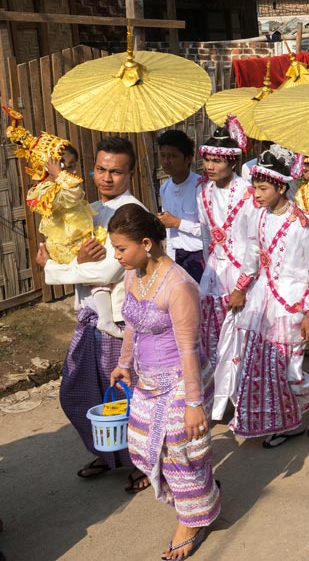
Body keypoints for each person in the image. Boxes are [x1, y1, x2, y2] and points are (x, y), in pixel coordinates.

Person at [107, 205, 219, 559]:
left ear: (146, 242)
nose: (116, 255)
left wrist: (193, 405)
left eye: (121, 248)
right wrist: (124, 363)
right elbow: (132, 325)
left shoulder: (180, 285)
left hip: (182, 381)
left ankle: (193, 520)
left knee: (179, 451)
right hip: (147, 379)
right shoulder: (133, 275)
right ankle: (202, 493)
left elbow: (189, 350)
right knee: (143, 447)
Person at [39, 136, 147, 490]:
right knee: (78, 391)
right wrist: (71, 261)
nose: (106, 178)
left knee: (122, 395)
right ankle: (109, 452)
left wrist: (54, 271)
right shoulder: (86, 208)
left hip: (119, 320)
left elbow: (106, 271)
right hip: (90, 315)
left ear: (131, 173)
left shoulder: (132, 213)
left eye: (116, 171)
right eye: (101, 169)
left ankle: (140, 462)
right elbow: (71, 253)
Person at [230, 148, 309, 446]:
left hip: (292, 306)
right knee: (267, 370)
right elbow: (250, 256)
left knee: (292, 372)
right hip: (263, 304)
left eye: (262, 188)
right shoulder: (258, 217)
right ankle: (290, 421)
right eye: (255, 188)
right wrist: (241, 287)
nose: (256, 194)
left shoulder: (304, 224)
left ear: (281, 187)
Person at [5, 109, 121, 340]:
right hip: (69, 244)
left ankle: (92, 309)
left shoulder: (59, 185)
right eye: (67, 166)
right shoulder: (49, 190)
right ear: (47, 167)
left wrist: (60, 175)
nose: (74, 171)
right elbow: (75, 193)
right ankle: (106, 319)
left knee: (95, 280)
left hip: (77, 239)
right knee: (96, 276)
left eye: (74, 165)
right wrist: (59, 175)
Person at [196, 122, 257, 422]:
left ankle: (244, 402)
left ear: (232, 161)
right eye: (207, 159)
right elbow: (207, 238)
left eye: (217, 160)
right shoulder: (203, 192)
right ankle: (219, 399)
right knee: (212, 340)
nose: (210, 166)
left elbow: (255, 243)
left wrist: (243, 286)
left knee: (241, 343)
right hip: (214, 277)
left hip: (242, 278)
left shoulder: (248, 193)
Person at [156, 131, 204, 284]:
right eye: (163, 156)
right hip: (176, 258)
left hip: (200, 257)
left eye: (172, 156)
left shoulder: (202, 188)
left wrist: (178, 223)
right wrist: (169, 261)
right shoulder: (165, 189)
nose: (166, 161)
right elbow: (170, 234)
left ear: (188, 158)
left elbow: (210, 232)